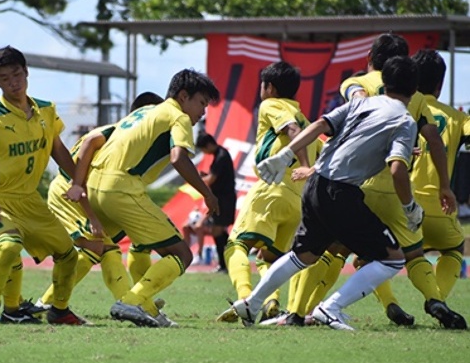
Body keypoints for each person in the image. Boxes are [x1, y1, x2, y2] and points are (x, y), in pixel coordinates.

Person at [223, 56, 420, 330]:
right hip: (341, 192)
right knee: (393, 257)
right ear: (415, 88)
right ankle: (330, 308)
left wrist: (284, 156)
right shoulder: (405, 120)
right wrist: (410, 207)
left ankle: (251, 304)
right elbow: (398, 170)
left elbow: (318, 126)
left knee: (303, 255)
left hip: (315, 185)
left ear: (385, 81)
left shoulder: (360, 103)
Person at [0, 46, 99, 325]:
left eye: (17, 74)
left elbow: (58, 149)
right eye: (5, 78)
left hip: (32, 201)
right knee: (9, 247)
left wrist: (79, 182)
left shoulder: (46, 110)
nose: (14, 82)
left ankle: (59, 311)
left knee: (69, 256)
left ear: (26, 72)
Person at [66, 69, 220, 327]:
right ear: (183, 96)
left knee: (103, 249)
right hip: (121, 188)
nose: (203, 112)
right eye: (202, 103)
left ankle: (50, 302)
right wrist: (208, 194)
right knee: (181, 253)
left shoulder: (143, 111)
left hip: (95, 188)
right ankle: (132, 300)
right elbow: (178, 158)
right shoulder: (178, 116)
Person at [340, 34, 463, 328]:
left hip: (371, 187)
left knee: (342, 250)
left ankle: (300, 310)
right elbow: (434, 140)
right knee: (433, 251)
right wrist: (446, 186)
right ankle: (436, 299)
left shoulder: (357, 85)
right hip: (414, 198)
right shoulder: (428, 105)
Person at [35, 92, 178, 327]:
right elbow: (88, 148)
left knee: (110, 250)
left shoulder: (129, 137)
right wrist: (83, 197)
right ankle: (135, 307)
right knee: (99, 248)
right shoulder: (120, 130)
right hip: (69, 193)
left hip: (90, 195)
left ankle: (141, 306)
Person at [216, 61, 316, 325]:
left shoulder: (272, 105)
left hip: (271, 190)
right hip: (296, 201)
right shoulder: (308, 119)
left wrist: (305, 165)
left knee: (235, 245)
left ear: (269, 87)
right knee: (269, 258)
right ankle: (271, 302)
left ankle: (246, 299)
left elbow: (291, 130)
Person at [409, 49, 468, 326]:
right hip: (439, 206)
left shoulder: (403, 109)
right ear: (439, 84)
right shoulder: (456, 118)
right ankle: (437, 300)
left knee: (371, 258)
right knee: (455, 248)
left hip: (401, 204)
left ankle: (391, 304)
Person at [195, 133, 237, 272]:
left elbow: (211, 180)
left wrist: (197, 179)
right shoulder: (219, 155)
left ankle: (225, 265)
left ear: (208, 145)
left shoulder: (221, 156)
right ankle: (230, 260)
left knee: (217, 230)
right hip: (222, 198)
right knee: (218, 231)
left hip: (224, 199)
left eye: (203, 149)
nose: (204, 153)